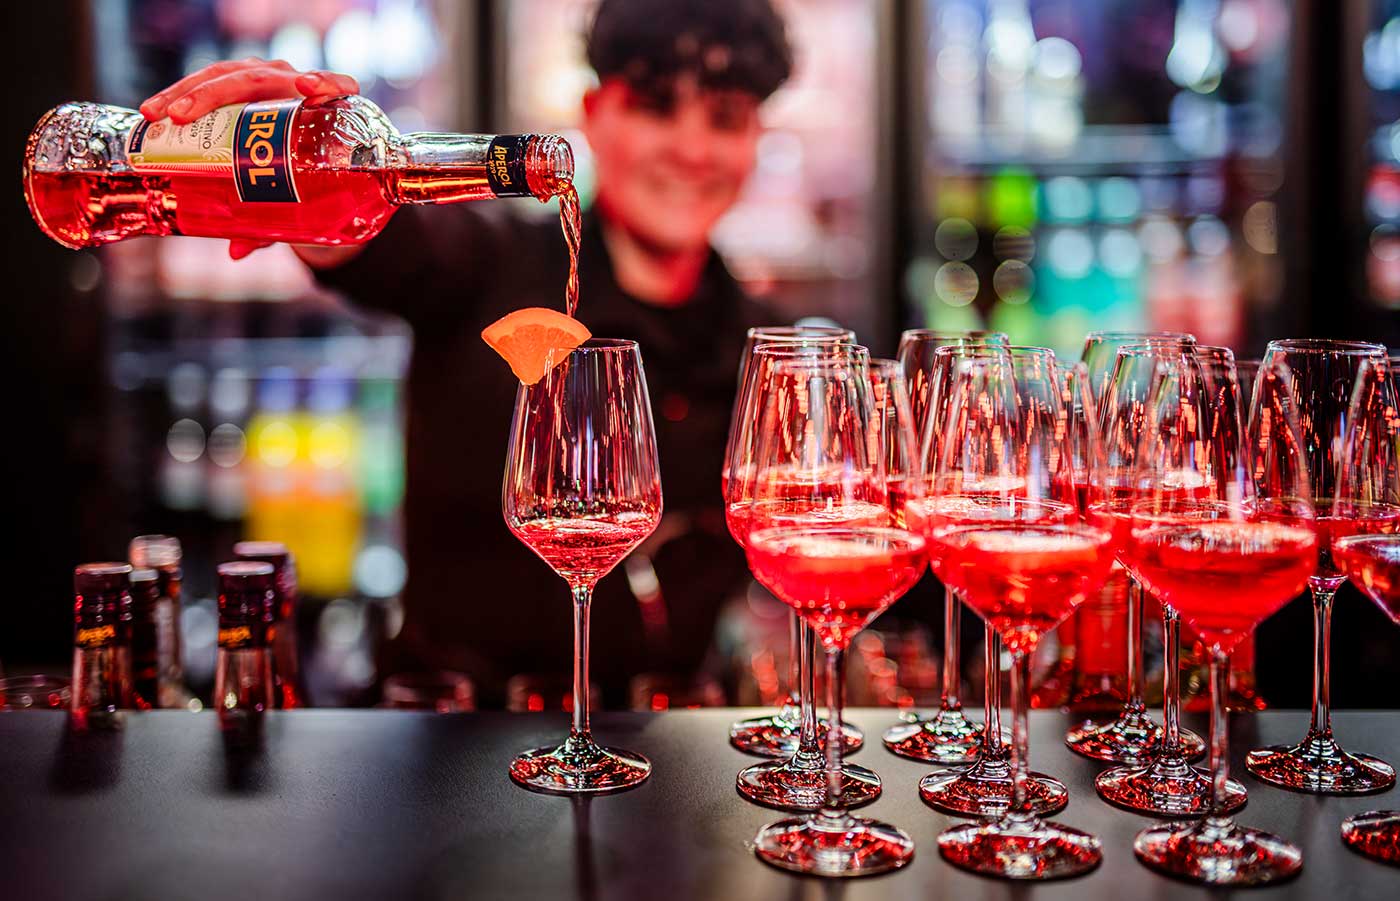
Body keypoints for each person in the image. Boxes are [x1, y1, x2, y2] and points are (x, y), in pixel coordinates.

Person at [139, 0, 795, 707]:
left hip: (666, 746)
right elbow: (373, 238)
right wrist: (281, 151)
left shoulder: (768, 351)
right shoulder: (487, 264)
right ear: (593, 114)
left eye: (724, 118)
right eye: (657, 106)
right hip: (450, 733)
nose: (693, 150)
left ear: (757, 137)